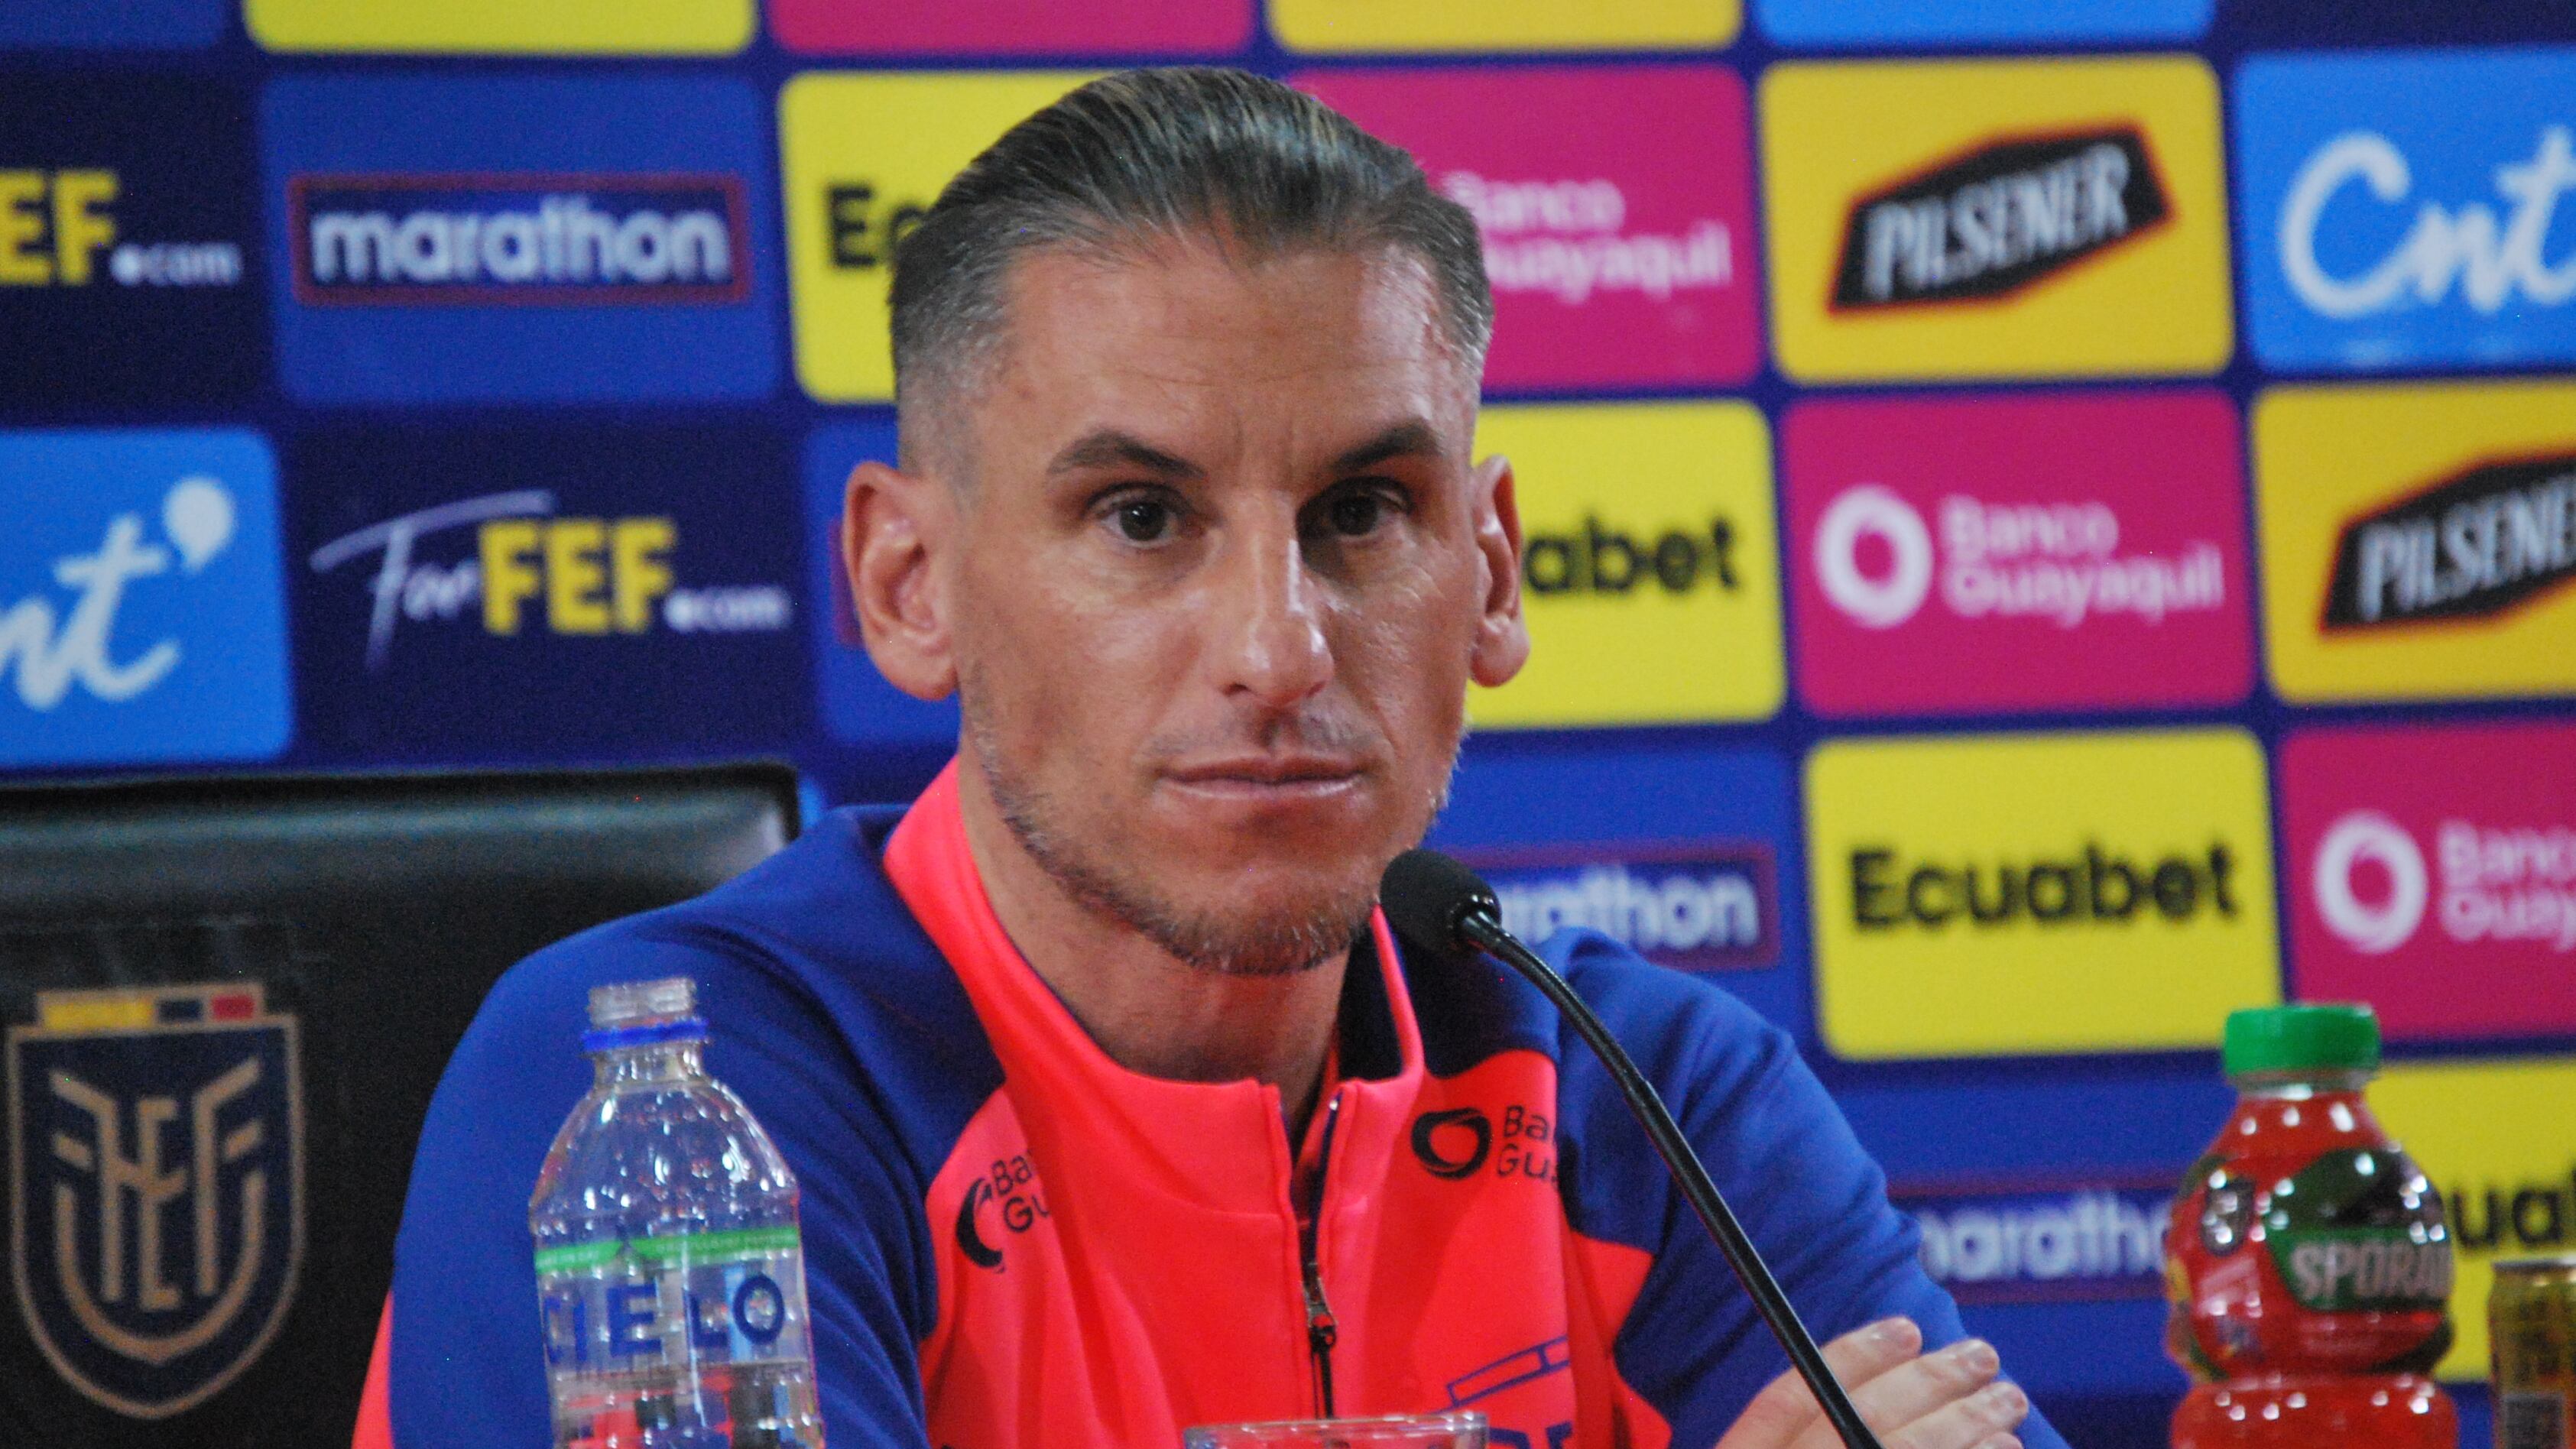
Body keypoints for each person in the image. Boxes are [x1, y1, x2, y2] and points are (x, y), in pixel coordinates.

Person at [377, 67, 2062, 1449]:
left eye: (1358, 514)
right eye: (1139, 516)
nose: (1279, 647)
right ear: (911, 586)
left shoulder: (1641, 1096)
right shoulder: (665, 1107)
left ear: (1485, 574)